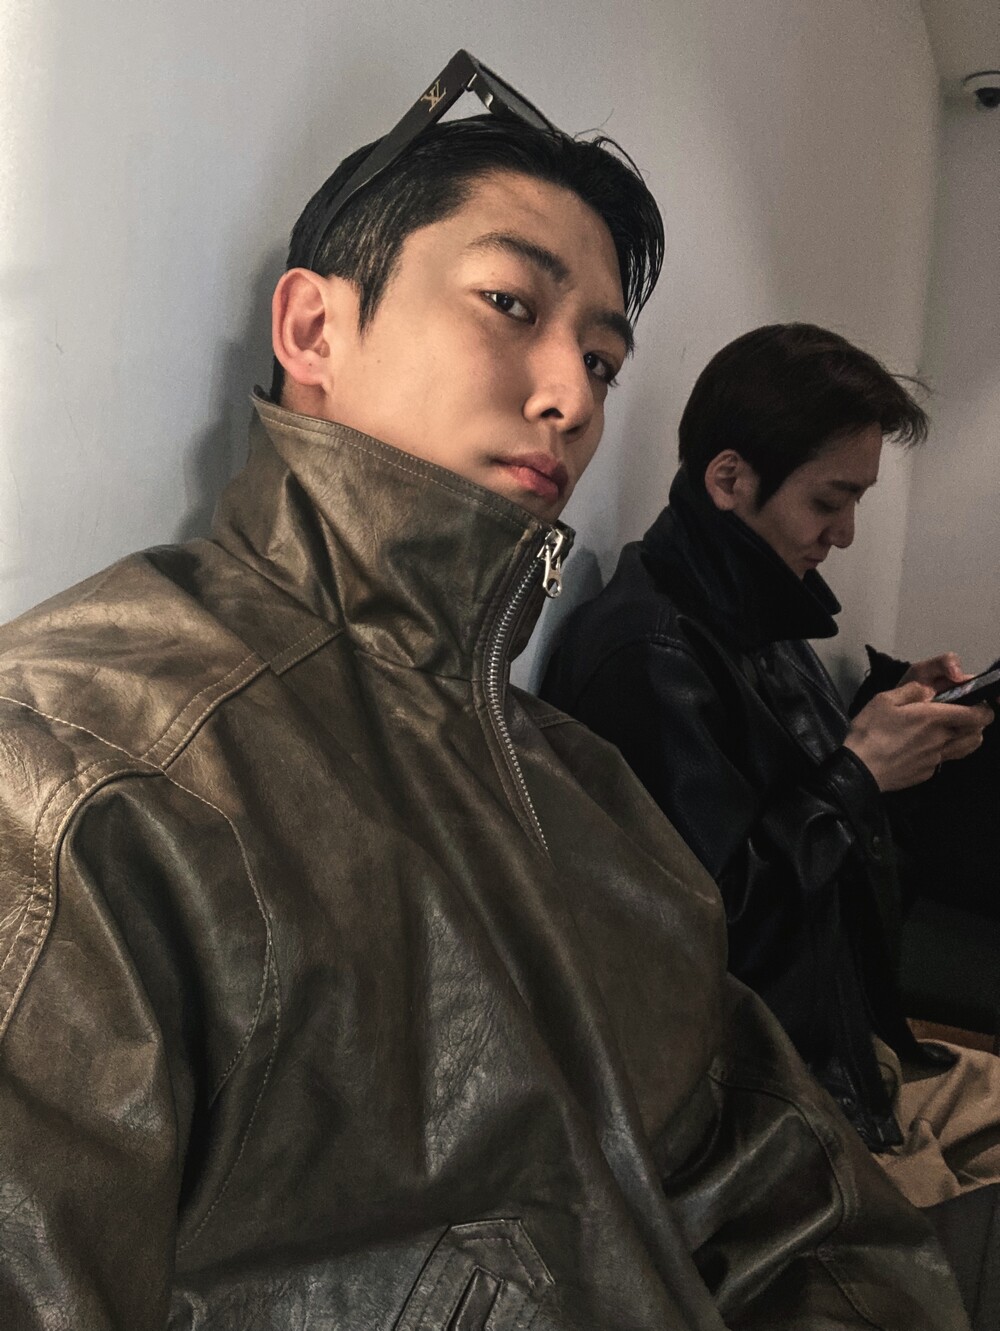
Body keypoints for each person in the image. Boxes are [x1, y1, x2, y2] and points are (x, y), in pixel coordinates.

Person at [0, 58, 973, 1329]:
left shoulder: (579, 780)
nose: (569, 398)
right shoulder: (85, 763)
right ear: (313, 331)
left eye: (604, 360)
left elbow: (780, 1187)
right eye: (510, 303)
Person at [541, 322, 1000, 1209]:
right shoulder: (650, 658)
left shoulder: (760, 614)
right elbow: (713, 939)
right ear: (729, 479)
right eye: (830, 500)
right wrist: (859, 772)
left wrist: (900, 733)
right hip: (782, 1108)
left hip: (857, 1060)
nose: (846, 533)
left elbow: (815, 823)